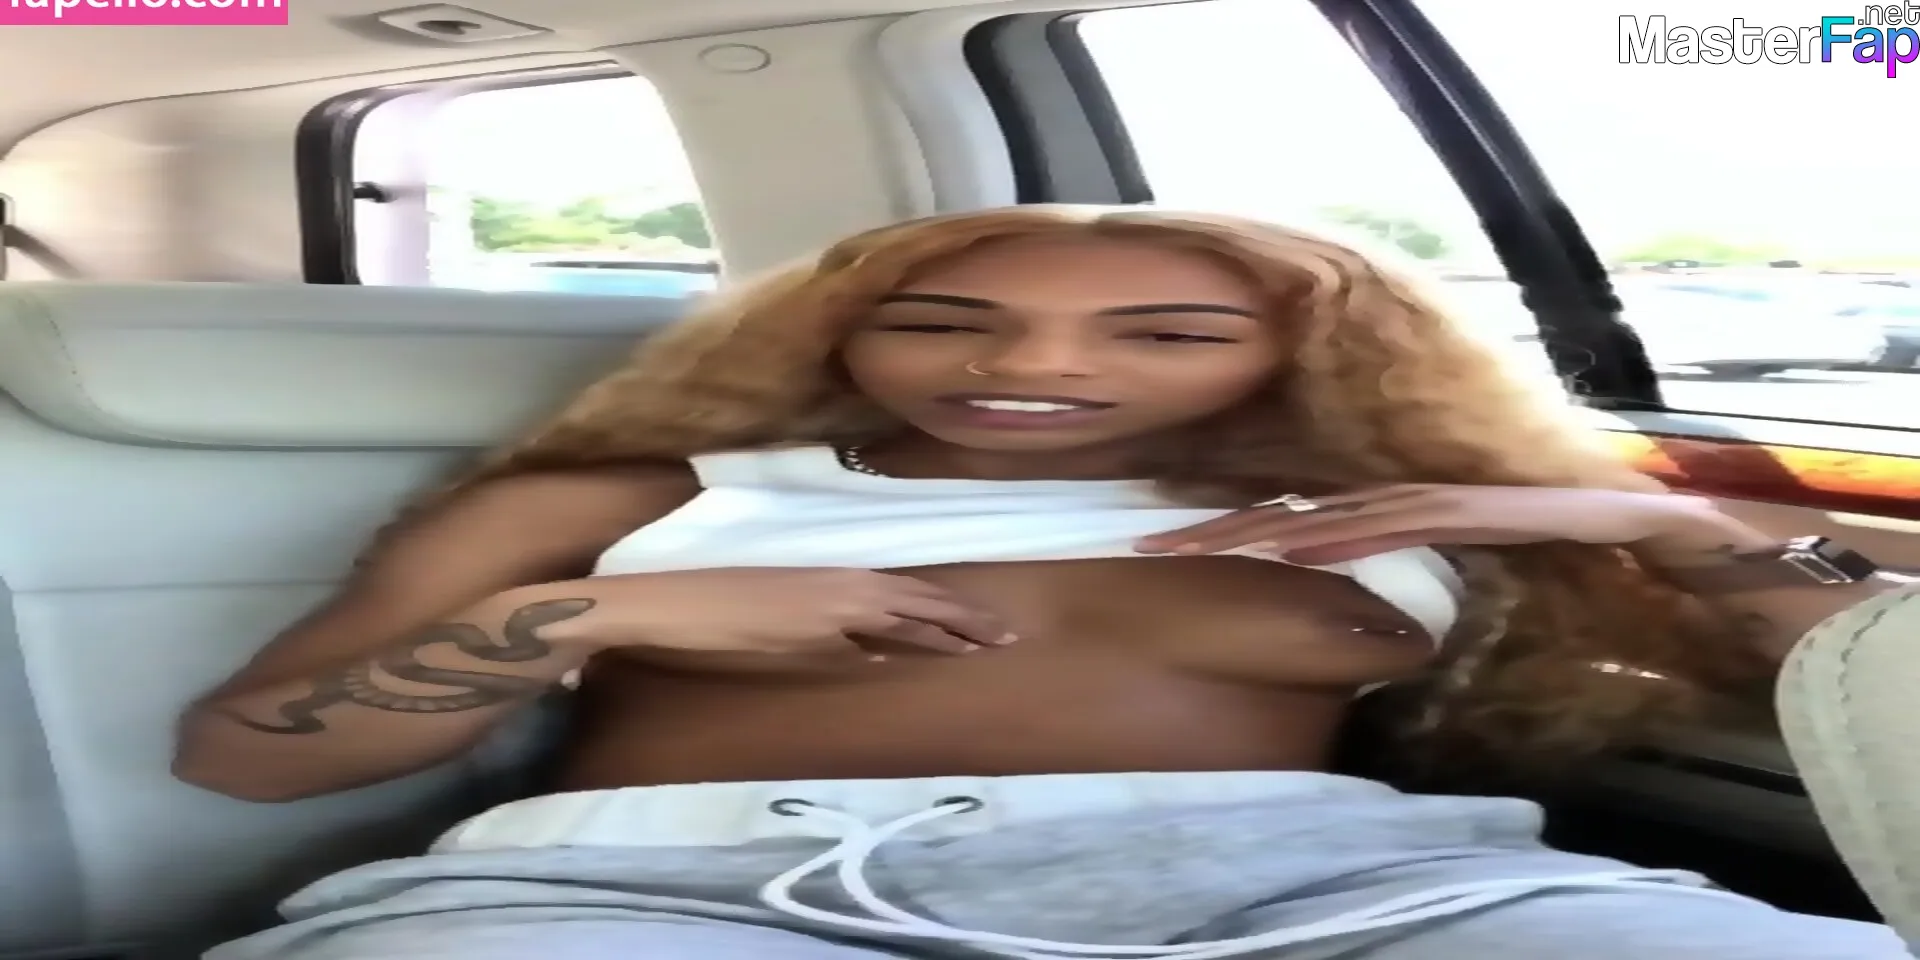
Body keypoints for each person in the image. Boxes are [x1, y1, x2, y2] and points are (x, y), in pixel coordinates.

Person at [178, 206, 1915, 959]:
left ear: (1294, 353)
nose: (1031, 367)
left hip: (1337, 888)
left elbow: (1868, 680)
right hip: (665, 893)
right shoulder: (638, 498)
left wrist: (1646, 524)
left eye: (1165, 333)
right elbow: (246, 755)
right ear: (836, 334)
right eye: (944, 319)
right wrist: (587, 616)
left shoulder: (1399, 509)